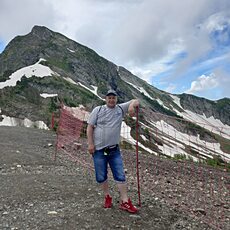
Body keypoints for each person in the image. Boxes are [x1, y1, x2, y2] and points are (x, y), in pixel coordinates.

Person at [87, 89, 139, 213]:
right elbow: (89, 127)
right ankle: (107, 197)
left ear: (116, 99)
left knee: (120, 175)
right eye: (109, 98)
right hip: (99, 150)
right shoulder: (98, 110)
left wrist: (131, 106)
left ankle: (125, 201)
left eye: (113, 98)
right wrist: (90, 144)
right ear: (105, 99)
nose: (111, 100)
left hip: (114, 150)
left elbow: (136, 100)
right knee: (101, 176)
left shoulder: (120, 109)